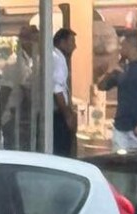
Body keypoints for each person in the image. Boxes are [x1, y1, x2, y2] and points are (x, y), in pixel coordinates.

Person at [98, 32, 137, 152]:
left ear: (130, 46)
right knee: (119, 163)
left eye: (122, 46)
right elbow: (101, 87)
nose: (120, 50)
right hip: (120, 126)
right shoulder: (122, 68)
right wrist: (110, 71)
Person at [52, 28, 78, 157]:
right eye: (72, 42)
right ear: (62, 42)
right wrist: (67, 115)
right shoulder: (58, 59)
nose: (75, 46)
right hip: (58, 114)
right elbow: (57, 89)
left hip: (58, 113)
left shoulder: (55, 57)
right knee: (62, 152)